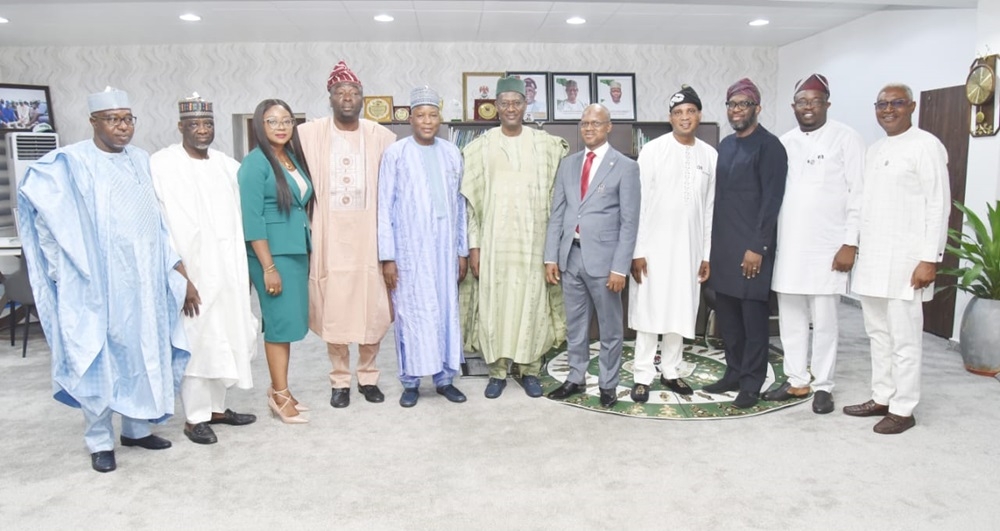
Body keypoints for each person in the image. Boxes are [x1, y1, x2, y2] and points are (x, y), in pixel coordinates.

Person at [17, 87, 194, 472]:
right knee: (97, 354)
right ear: (93, 121)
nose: (123, 127)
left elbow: (157, 223)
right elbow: (44, 210)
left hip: (145, 280)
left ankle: (136, 428)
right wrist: (62, 270)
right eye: (113, 119)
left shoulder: (141, 159)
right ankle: (99, 440)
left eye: (128, 118)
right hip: (98, 282)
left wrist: (176, 267)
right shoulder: (70, 162)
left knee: (144, 349)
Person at [150, 94, 259, 444]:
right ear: (181, 127)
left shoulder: (227, 165)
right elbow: (158, 227)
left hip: (228, 271)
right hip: (191, 274)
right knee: (196, 341)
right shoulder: (162, 165)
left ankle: (216, 410)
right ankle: (194, 417)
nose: (202, 130)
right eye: (194, 124)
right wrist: (180, 278)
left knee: (226, 335)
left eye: (207, 124)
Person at [844, 83, 950, 435]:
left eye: (896, 103)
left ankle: (904, 409)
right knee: (877, 333)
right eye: (882, 104)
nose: (888, 110)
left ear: (912, 106)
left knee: (905, 338)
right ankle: (882, 396)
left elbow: (938, 205)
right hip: (874, 259)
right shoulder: (875, 150)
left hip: (907, 262)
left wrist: (929, 258)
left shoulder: (926, 146)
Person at [461, 75, 569, 399]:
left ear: (525, 105)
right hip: (495, 244)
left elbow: (559, 197)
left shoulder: (547, 145)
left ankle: (530, 368)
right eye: (505, 103)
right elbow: (472, 205)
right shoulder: (479, 148)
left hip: (533, 244)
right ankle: (497, 370)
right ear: (496, 107)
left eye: (516, 102)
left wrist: (552, 250)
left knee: (532, 305)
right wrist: (475, 246)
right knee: (496, 305)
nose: (511, 108)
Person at [298, 60, 396, 409]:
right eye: (340, 92)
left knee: (372, 307)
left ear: (362, 99)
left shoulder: (382, 136)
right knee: (334, 308)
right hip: (329, 235)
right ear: (330, 98)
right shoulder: (309, 134)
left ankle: (368, 377)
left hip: (368, 237)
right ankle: (339, 380)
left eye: (354, 92)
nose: (347, 98)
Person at [766, 74, 865, 414]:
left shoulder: (846, 139)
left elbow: (858, 194)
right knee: (791, 317)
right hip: (790, 246)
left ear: (827, 104)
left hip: (828, 247)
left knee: (824, 320)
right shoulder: (784, 142)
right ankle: (796, 379)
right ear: (793, 106)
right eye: (802, 102)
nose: (808, 107)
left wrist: (849, 243)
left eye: (815, 101)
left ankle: (823, 384)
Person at [378, 86, 469, 408]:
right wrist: (387, 257)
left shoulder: (452, 152)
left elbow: (460, 205)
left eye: (433, 115)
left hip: (444, 250)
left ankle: (445, 379)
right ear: (410, 118)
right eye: (421, 115)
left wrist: (462, 250)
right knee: (412, 313)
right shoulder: (396, 153)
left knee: (445, 311)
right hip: (409, 250)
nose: (427, 121)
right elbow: (384, 206)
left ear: (440, 118)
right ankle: (411, 381)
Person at [544, 104, 640, 407]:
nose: (589, 128)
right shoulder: (568, 164)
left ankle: (608, 384)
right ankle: (575, 377)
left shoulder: (625, 166)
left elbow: (630, 222)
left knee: (611, 329)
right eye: (584, 123)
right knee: (576, 325)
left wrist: (620, 268)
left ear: (608, 127)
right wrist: (551, 257)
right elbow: (557, 214)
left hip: (606, 262)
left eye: (596, 123)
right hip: (570, 258)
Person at [702, 78, 788, 409]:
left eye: (743, 104)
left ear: (757, 109)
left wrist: (758, 247)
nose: (737, 110)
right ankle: (733, 373)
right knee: (730, 320)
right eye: (732, 105)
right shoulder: (725, 145)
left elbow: (772, 201)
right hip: (724, 247)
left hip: (752, 250)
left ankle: (752, 382)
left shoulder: (770, 147)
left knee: (753, 323)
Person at [628, 85, 716, 403]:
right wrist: (637, 251)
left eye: (690, 111)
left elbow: (709, 209)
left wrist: (705, 254)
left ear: (699, 115)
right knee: (650, 312)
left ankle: (671, 371)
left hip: (690, 250)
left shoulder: (710, 155)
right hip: (652, 249)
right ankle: (642, 375)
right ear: (670, 118)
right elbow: (639, 204)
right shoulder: (653, 151)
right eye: (678, 113)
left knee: (680, 309)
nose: (684, 117)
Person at [238, 98, 314, 424]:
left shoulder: (291, 157)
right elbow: (252, 220)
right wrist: (268, 267)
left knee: (288, 324)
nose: (281, 127)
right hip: (272, 256)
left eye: (286, 121)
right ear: (260, 125)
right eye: (272, 121)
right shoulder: (255, 164)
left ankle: (281, 388)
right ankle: (278, 396)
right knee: (279, 326)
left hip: (295, 251)